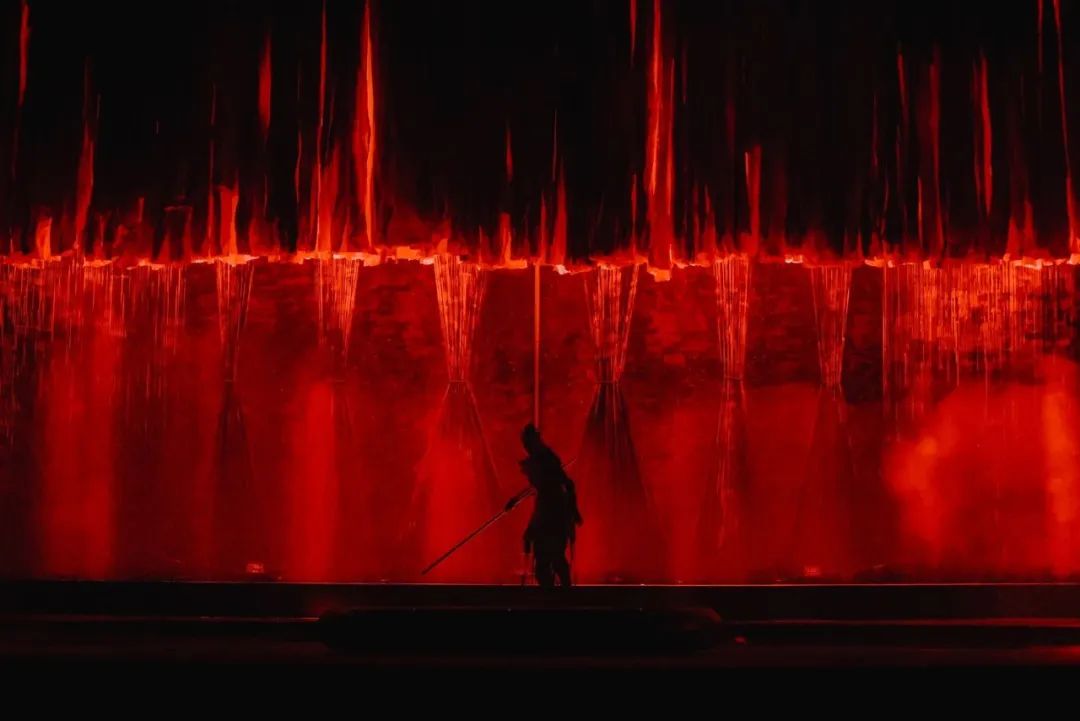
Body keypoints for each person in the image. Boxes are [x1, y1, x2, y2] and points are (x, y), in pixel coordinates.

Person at [518, 424, 582, 588]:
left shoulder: (547, 460)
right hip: (549, 511)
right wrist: (516, 499)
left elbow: (566, 484)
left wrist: (573, 510)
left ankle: (564, 593)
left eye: (527, 443)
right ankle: (554, 593)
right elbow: (542, 487)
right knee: (544, 563)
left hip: (555, 513)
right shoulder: (541, 461)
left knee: (555, 557)